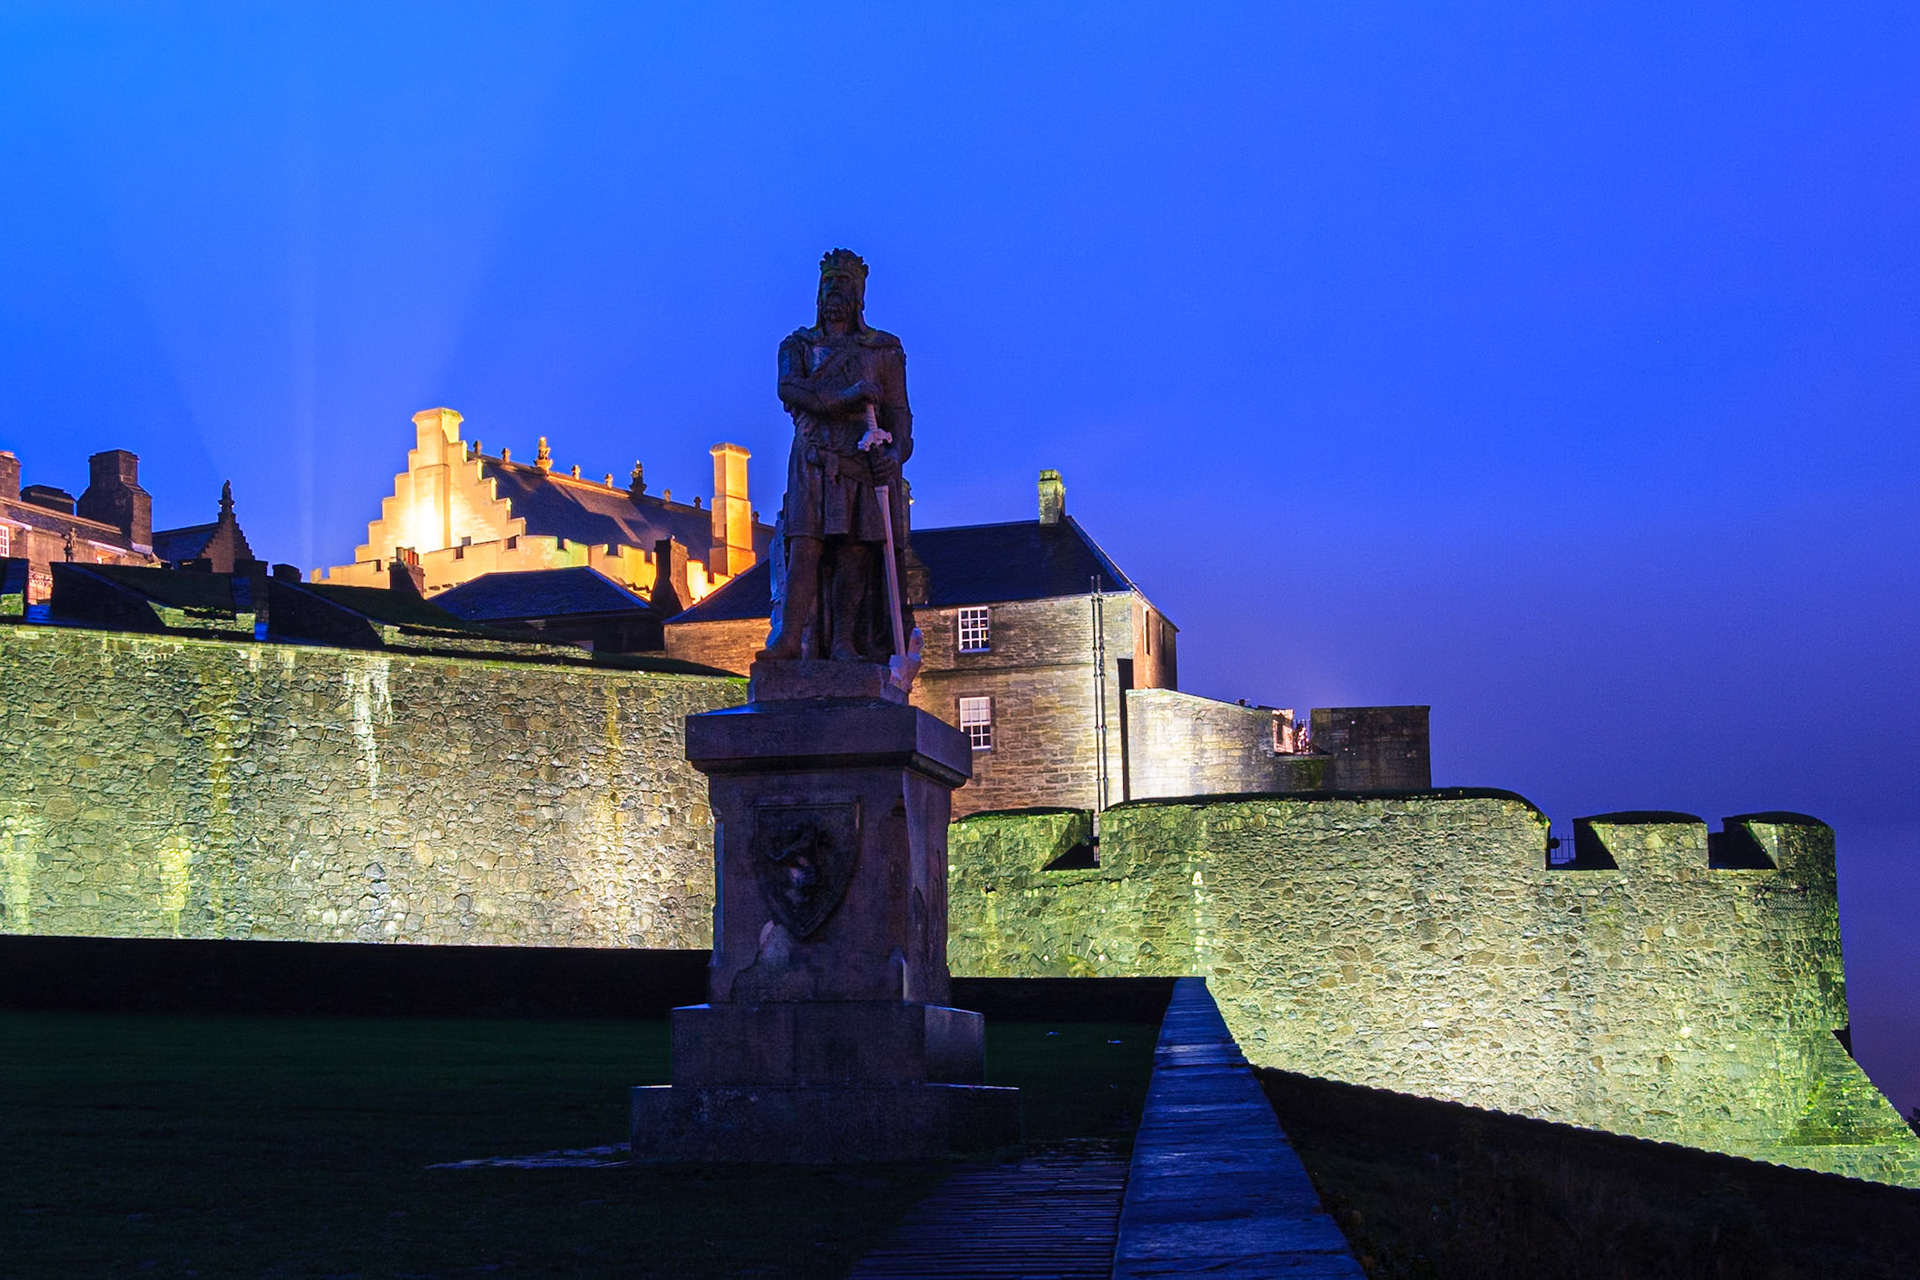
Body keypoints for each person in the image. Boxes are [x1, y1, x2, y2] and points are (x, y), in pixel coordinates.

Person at [759, 249, 913, 663]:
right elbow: (790, 389)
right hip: (813, 459)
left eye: (843, 282)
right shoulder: (799, 346)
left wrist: (894, 455)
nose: (834, 290)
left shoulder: (884, 351)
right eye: (828, 282)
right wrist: (847, 397)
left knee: (854, 552)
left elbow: (900, 416)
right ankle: (791, 638)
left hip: (859, 463)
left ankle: (845, 640)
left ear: (859, 293)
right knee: (806, 545)